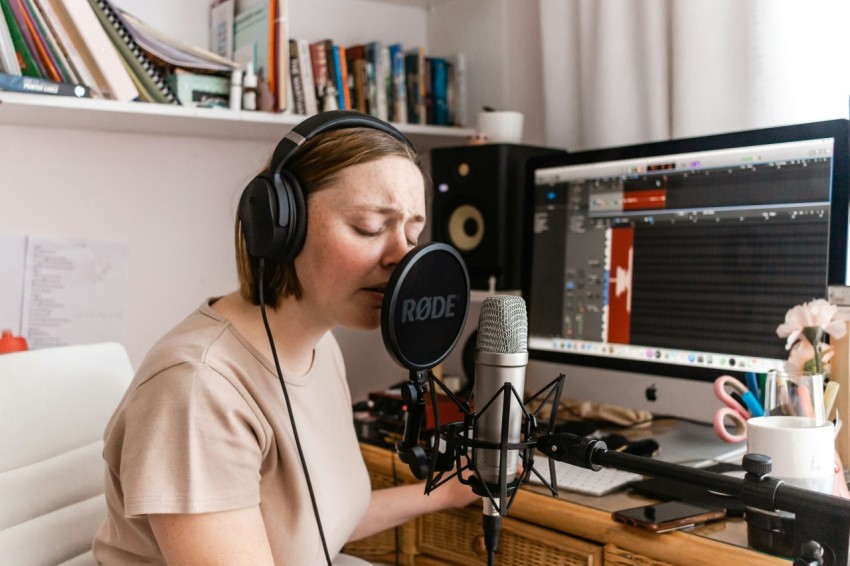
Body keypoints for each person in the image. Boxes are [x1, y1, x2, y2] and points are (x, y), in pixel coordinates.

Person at [92, 112, 478, 564]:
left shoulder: (320, 346)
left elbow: (318, 521)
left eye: (412, 234)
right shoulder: (197, 389)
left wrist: (451, 492)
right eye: (370, 227)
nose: (402, 257)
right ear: (280, 228)